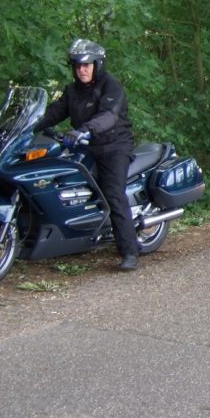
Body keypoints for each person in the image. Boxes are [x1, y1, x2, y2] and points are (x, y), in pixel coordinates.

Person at [36, 39, 138, 271]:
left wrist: (85, 130)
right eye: (78, 65)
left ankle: (129, 251)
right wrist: (30, 124)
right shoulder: (72, 91)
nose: (82, 69)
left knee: (113, 193)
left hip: (113, 146)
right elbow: (54, 112)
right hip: (85, 146)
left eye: (86, 65)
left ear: (97, 65)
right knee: (60, 180)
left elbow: (109, 115)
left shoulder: (111, 86)